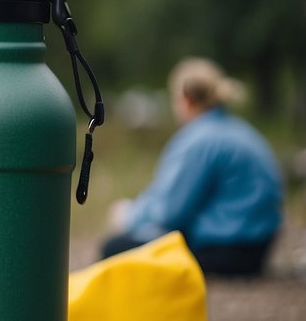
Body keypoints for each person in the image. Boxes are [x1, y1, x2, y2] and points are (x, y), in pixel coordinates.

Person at [101, 57, 283, 276]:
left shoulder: (197, 139)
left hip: (224, 252)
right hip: (258, 250)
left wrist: (128, 216)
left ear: (185, 99)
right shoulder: (243, 131)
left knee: (114, 247)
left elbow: (169, 213)